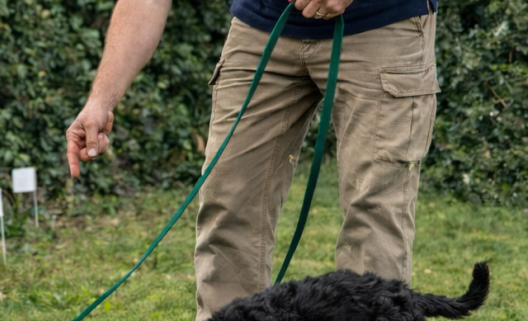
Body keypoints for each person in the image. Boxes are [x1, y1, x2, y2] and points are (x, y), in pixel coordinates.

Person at [65, 0, 440, 320]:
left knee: (372, 217)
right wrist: (101, 100)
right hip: (261, 25)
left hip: (381, 24)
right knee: (229, 204)